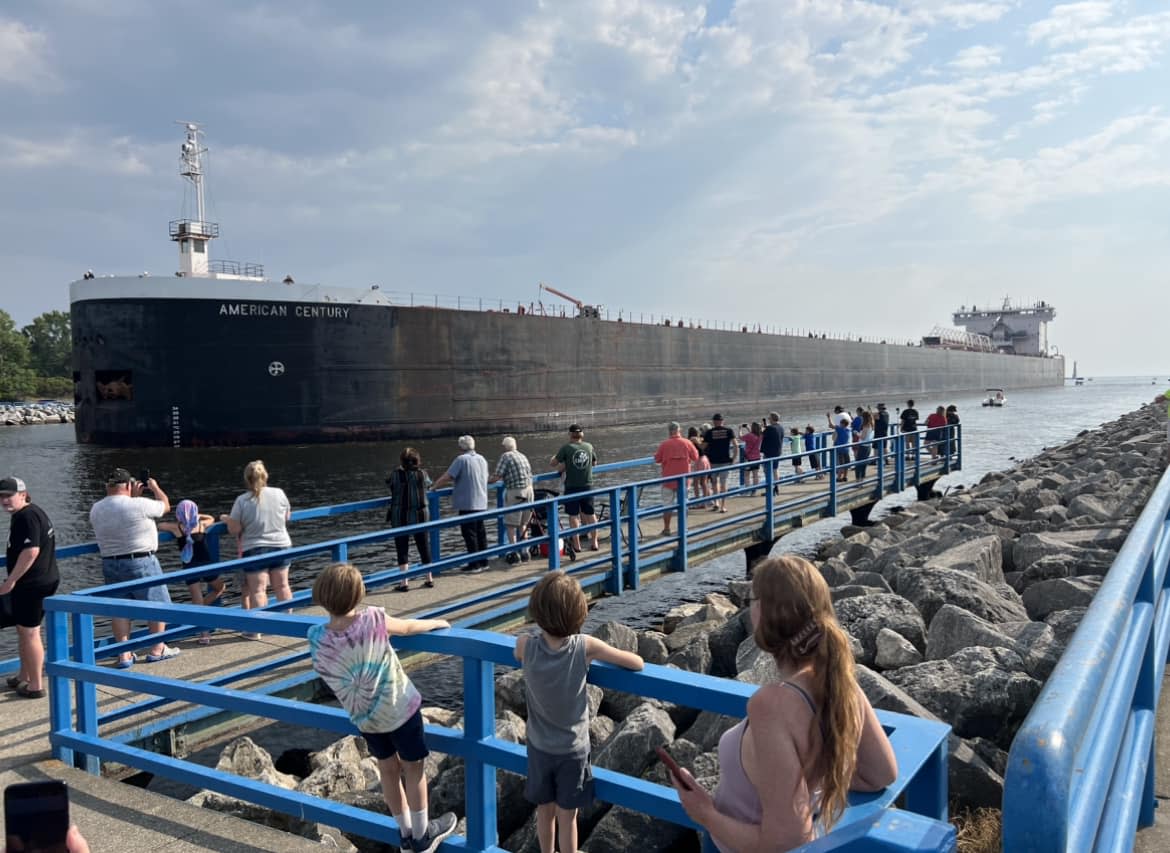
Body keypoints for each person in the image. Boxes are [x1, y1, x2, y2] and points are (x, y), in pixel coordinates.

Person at [670, 555, 898, 851]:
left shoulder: (772, 706)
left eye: (752, 599)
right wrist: (814, 782)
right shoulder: (839, 683)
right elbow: (881, 774)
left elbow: (787, 843)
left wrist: (705, 814)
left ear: (764, 612)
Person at [309, 563, 456, 853]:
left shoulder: (316, 637)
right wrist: (437, 622)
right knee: (414, 769)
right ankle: (423, 835)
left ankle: (404, 834)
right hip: (400, 709)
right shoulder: (373, 618)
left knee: (387, 771)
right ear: (357, 595)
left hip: (366, 717)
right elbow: (408, 628)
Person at [514, 571, 644, 853]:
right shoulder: (583, 647)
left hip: (538, 747)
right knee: (567, 815)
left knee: (544, 811)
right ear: (578, 614)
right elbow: (636, 663)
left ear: (537, 610)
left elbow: (519, 649)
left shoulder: (526, 646)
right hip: (572, 750)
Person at [89, 468, 178, 667]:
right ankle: (158, 648)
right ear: (129, 485)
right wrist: (155, 488)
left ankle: (124, 653)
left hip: (110, 562)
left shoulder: (96, 508)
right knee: (156, 604)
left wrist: (134, 498)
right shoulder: (138, 505)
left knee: (120, 609)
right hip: (141, 561)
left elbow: (121, 514)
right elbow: (165, 506)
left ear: (107, 486)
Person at [1, 477, 59, 698]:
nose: (5, 500)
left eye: (9, 495)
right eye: (1, 496)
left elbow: (31, 551)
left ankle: (35, 685)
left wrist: (11, 580)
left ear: (23, 494)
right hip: (38, 580)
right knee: (23, 630)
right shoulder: (27, 514)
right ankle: (24, 676)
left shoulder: (27, 516)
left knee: (30, 632)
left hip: (33, 583)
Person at [220, 460, 293, 620]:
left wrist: (226, 519)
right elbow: (287, 516)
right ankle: (289, 621)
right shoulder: (279, 493)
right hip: (281, 545)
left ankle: (259, 628)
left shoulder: (242, 500)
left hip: (254, 549)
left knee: (258, 591)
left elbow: (235, 529)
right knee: (282, 586)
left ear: (247, 479)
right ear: (265, 476)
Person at [158, 499, 224, 646]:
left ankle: (198, 614)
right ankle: (203, 630)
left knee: (199, 599)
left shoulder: (177, 528)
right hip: (206, 564)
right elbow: (211, 519)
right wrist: (196, 516)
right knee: (219, 588)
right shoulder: (200, 524)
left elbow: (160, 525)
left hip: (189, 566)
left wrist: (183, 519)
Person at [431, 435, 490, 573]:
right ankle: (484, 561)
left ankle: (474, 564)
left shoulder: (461, 459)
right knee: (481, 533)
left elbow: (449, 476)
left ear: (460, 448)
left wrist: (434, 487)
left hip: (467, 502)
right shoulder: (482, 459)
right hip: (481, 501)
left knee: (469, 534)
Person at [386, 448, 434, 591]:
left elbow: (389, 484)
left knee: (402, 548)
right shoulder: (422, 474)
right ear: (417, 461)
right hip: (421, 515)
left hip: (400, 515)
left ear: (402, 461)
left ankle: (404, 581)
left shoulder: (396, 474)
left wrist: (400, 469)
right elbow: (429, 484)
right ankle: (429, 578)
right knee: (424, 546)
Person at [551, 425, 599, 552]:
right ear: (581, 435)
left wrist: (565, 463)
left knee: (573, 516)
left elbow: (553, 463)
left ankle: (577, 545)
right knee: (591, 514)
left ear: (570, 434)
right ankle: (594, 542)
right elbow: (594, 463)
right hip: (588, 485)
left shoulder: (566, 448)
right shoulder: (589, 446)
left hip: (572, 487)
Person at [489, 437, 534, 565]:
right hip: (529, 491)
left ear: (505, 447)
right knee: (523, 524)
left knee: (510, 525)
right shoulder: (522, 456)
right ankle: (525, 552)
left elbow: (497, 476)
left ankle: (514, 553)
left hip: (516, 492)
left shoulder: (506, 456)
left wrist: (485, 481)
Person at [654, 422, 699, 536]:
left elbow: (657, 459)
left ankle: (667, 528)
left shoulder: (664, 444)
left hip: (668, 480)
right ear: (679, 430)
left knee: (667, 505)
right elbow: (695, 457)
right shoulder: (687, 443)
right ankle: (683, 528)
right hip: (683, 480)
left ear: (669, 431)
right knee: (683, 504)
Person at [702, 414, 738, 513]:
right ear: (723, 421)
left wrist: (696, 442)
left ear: (713, 421)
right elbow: (736, 445)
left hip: (713, 461)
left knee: (714, 483)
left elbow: (703, 447)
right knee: (723, 483)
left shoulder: (709, 432)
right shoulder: (729, 431)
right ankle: (723, 506)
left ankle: (716, 503)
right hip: (725, 461)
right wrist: (733, 459)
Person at [689, 427, 713, 508]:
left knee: (696, 483)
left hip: (698, 461)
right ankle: (706, 501)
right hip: (704, 459)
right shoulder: (701, 438)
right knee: (704, 482)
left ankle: (697, 501)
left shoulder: (691, 440)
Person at [760, 413, 784, 490]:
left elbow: (761, 435)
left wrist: (762, 429)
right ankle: (776, 487)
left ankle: (769, 489)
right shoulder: (780, 427)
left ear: (772, 419)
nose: (768, 419)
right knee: (775, 469)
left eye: (769, 418)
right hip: (777, 451)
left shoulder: (770, 428)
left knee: (767, 470)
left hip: (769, 452)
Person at [741, 422, 763, 490]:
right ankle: (755, 489)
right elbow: (753, 434)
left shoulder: (749, 435)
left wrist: (739, 430)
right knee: (755, 475)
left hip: (748, 458)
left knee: (746, 475)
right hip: (757, 457)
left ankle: (747, 489)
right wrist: (748, 428)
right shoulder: (760, 435)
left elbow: (740, 438)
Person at [831, 413, 852, 483]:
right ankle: (845, 477)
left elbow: (831, 425)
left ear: (842, 424)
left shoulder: (840, 429)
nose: (840, 424)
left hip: (840, 449)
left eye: (840, 423)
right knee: (846, 464)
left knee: (841, 464)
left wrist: (828, 417)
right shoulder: (848, 430)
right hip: (847, 449)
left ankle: (839, 477)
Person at [854, 410, 875, 480]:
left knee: (858, 463)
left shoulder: (866, 426)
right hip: (868, 446)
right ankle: (862, 479)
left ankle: (858, 480)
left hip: (863, 446)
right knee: (864, 463)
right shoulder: (872, 424)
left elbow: (863, 437)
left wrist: (856, 433)